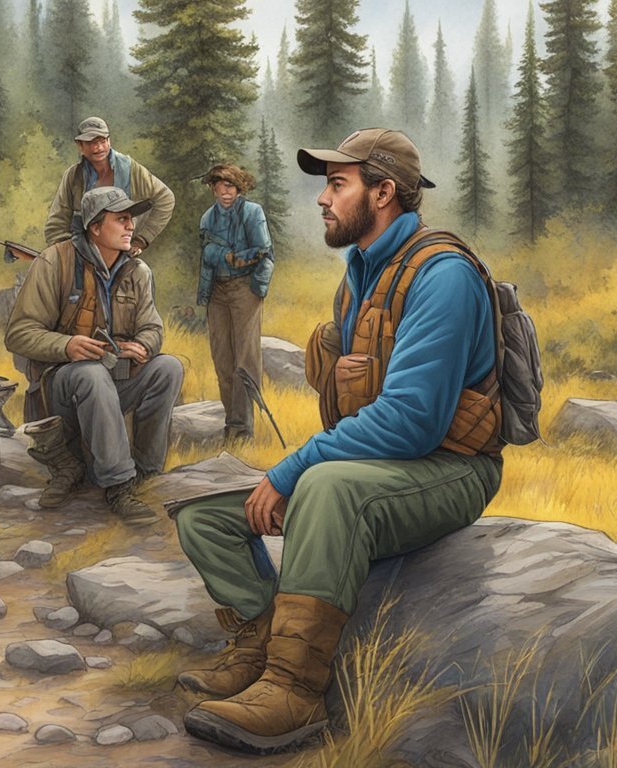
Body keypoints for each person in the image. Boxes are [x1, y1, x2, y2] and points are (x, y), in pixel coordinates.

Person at [176, 129, 503, 754]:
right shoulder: (361, 274)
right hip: (383, 466)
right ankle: (259, 643)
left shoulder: (443, 276)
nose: (323, 201)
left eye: (336, 185)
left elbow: (412, 421)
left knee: (323, 487)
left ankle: (295, 690)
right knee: (207, 519)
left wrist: (293, 469)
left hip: (453, 467)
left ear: (383, 193)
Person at [7, 187, 184, 527]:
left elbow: (153, 328)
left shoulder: (138, 271)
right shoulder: (53, 262)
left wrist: (143, 346)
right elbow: (18, 333)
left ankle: (145, 473)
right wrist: (66, 346)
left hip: (116, 378)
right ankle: (118, 486)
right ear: (95, 227)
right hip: (61, 387)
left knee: (168, 367)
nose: (131, 225)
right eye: (122, 219)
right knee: (90, 373)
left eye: (131, 218)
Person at [197, 163, 274, 442]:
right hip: (217, 292)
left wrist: (258, 290)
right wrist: (222, 256)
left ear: (239, 188)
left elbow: (264, 254)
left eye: (230, 186)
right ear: (213, 188)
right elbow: (206, 258)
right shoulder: (207, 218)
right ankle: (231, 423)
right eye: (219, 185)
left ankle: (243, 429)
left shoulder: (252, 213)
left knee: (246, 360)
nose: (225, 191)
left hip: (244, 288)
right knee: (222, 359)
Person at [43, 116, 176, 252]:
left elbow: (166, 198)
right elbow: (57, 222)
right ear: (80, 145)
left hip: (121, 251)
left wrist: (143, 239)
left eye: (102, 141)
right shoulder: (73, 175)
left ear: (109, 141)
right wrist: (64, 253)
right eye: (91, 142)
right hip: (83, 250)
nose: (98, 147)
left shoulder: (130, 169)